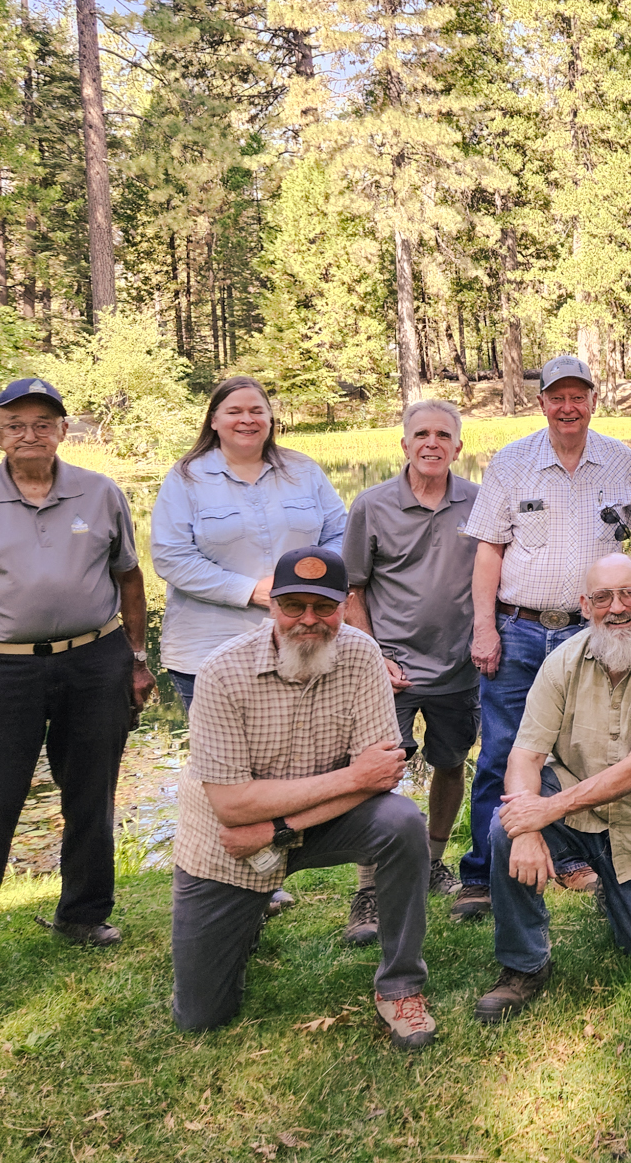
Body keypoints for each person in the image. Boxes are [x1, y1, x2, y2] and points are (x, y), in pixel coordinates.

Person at [0, 378, 154, 985]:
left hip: (93, 661)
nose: (30, 434)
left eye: (43, 423)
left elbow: (129, 579)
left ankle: (84, 914)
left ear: (63, 431)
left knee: (91, 792)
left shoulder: (100, 494)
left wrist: (136, 656)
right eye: (15, 424)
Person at [169, 547, 437, 1050]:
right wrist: (351, 778)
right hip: (228, 846)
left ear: (346, 603)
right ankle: (245, 914)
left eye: (324, 606)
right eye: (294, 606)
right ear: (271, 605)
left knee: (402, 823)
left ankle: (400, 986)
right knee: (202, 1017)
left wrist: (279, 829)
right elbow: (231, 808)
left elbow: (379, 781)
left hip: (278, 831)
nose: (308, 620)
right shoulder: (221, 673)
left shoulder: (362, 657)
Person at [473, 553, 631, 1024]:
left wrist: (545, 810)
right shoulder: (562, 661)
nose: (616, 607)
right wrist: (526, 828)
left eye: (628, 594)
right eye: (602, 597)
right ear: (585, 605)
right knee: (507, 823)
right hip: (575, 812)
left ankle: (612, 889)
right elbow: (524, 757)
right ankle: (524, 965)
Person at [467, 355, 631, 897]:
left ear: (593, 401)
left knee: (582, 749)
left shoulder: (622, 462)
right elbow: (488, 551)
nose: (568, 407)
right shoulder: (510, 462)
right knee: (503, 750)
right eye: (557, 397)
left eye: (578, 397)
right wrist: (485, 629)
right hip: (519, 627)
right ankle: (484, 870)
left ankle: (572, 854)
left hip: (594, 630)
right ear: (542, 401)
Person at [340, 399, 483, 944]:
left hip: (460, 666)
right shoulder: (371, 506)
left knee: (450, 763)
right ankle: (370, 887)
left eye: (443, 435)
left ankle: (433, 859)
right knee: (381, 773)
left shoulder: (480, 501)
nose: (431, 443)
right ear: (404, 444)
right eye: (420, 433)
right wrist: (373, 655)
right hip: (391, 670)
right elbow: (353, 589)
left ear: (457, 447)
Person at [151, 375, 346, 712]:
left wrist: (309, 582)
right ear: (214, 420)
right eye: (234, 411)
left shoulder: (304, 471)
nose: (247, 420)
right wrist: (251, 590)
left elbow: (340, 533)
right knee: (219, 761)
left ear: (270, 419)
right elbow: (172, 557)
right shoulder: (185, 477)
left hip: (304, 642)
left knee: (307, 755)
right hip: (208, 650)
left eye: (257, 410)